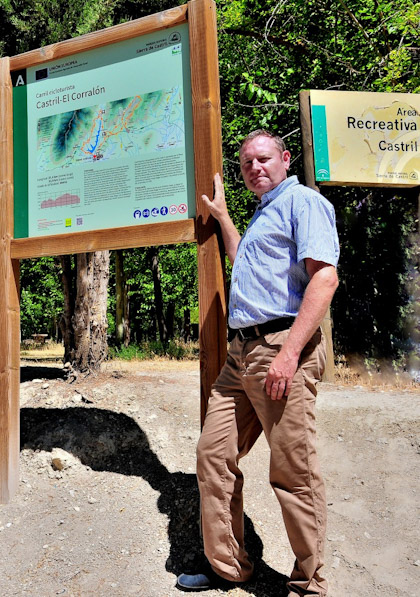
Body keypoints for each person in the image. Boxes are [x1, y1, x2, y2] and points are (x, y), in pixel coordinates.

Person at [177, 130, 339, 596]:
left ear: (286, 159)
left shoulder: (303, 203)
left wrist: (289, 355)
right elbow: (243, 264)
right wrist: (225, 218)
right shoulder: (263, 212)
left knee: (292, 470)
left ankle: (310, 583)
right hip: (240, 355)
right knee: (213, 454)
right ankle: (228, 567)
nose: (254, 168)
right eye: (246, 163)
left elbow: (324, 280)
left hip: (280, 348)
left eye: (263, 159)